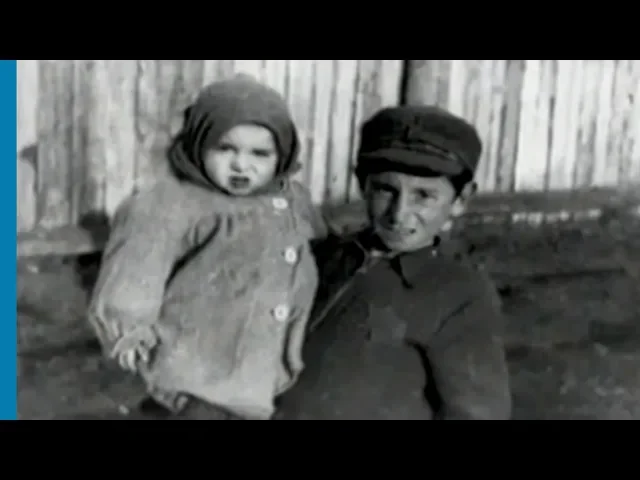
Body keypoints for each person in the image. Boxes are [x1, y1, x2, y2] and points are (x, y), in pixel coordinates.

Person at [87, 74, 329, 421]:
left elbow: (318, 249)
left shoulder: (293, 201)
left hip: (267, 363)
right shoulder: (174, 203)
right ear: (198, 143)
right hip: (196, 370)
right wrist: (130, 325)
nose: (241, 165)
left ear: (283, 155)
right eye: (225, 149)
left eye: (260, 153)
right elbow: (138, 265)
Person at [275, 105, 512, 420]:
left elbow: (477, 413)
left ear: (461, 199)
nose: (399, 214)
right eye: (386, 190)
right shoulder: (322, 256)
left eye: (423, 196)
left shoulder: (459, 293)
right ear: (362, 184)